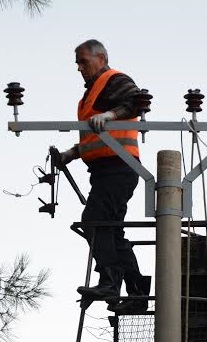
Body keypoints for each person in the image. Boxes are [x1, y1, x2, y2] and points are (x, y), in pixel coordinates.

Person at [58, 39, 150, 314]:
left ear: (101, 58)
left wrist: (110, 114)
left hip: (118, 167)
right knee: (111, 230)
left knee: (94, 221)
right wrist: (71, 154)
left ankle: (110, 280)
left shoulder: (114, 79)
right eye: (77, 63)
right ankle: (137, 291)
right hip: (104, 171)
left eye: (83, 61)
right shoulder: (90, 96)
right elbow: (94, 136)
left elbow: (135, 103)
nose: (79, 67)